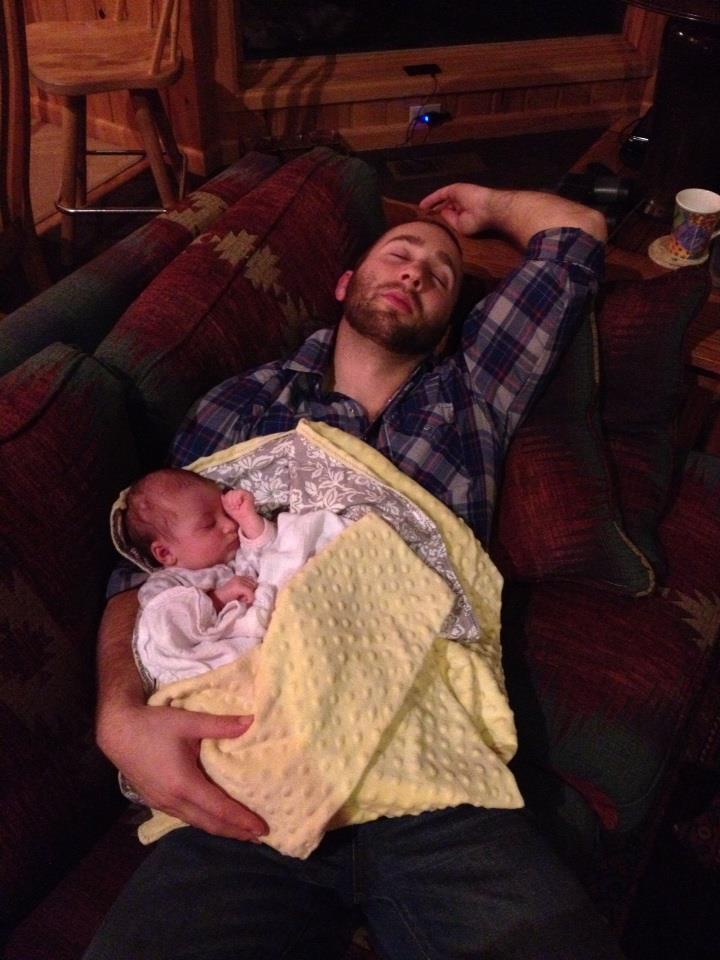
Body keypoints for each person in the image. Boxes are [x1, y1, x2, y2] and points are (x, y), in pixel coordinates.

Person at [86, 181, 624, 959]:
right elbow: (147, 571)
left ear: (449, 325)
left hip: (426, 764)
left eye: (441, 275)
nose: (416, 271)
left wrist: (489, 205)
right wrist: (119, 710)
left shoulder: (473, 393)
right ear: (344, 285)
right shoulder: (244, 403)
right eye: (399, 253)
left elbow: (579, 231)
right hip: (252, 764)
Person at [122, 467, 351, 687]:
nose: (229, 525)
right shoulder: (164, 584)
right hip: (213, 665)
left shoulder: (232, 559)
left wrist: (248, 518)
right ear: (166, 553)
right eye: (209, 524)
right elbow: (166, 623)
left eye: (225, 514)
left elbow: (267, 553)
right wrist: (218, 598)